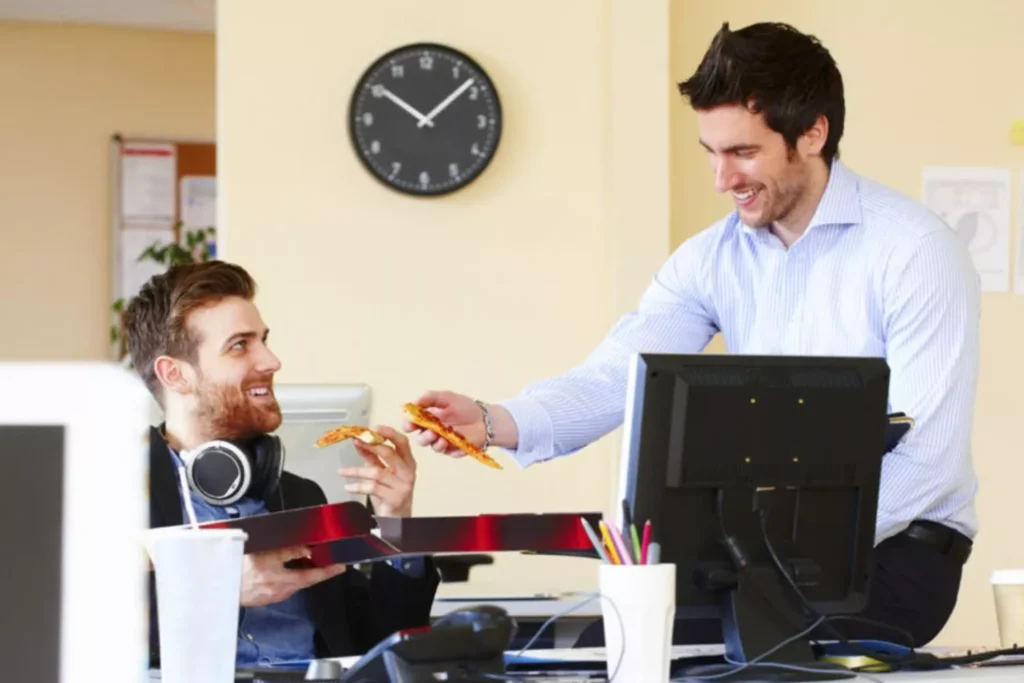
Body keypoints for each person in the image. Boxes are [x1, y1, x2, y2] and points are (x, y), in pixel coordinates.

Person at [405, 21, 980, 647]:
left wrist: (769, 548)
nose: (722, 179)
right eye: (711, 152)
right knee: (598, 647)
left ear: (813, 133)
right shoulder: (709, 259)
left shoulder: (914, 251)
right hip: (760, 557)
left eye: (743, 152)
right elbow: (620, 374)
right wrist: (495, 420)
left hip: (894, 557)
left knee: (715, 653)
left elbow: (928, 455)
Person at [121, 260, 439, 668]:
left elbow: (382, 649)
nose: (272, 360)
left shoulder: (300, 495)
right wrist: (216, 588)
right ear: (175, 374)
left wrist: (396, 525)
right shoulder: (111, 492)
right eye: (240, 345)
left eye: (264, 340)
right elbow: (68, 626)